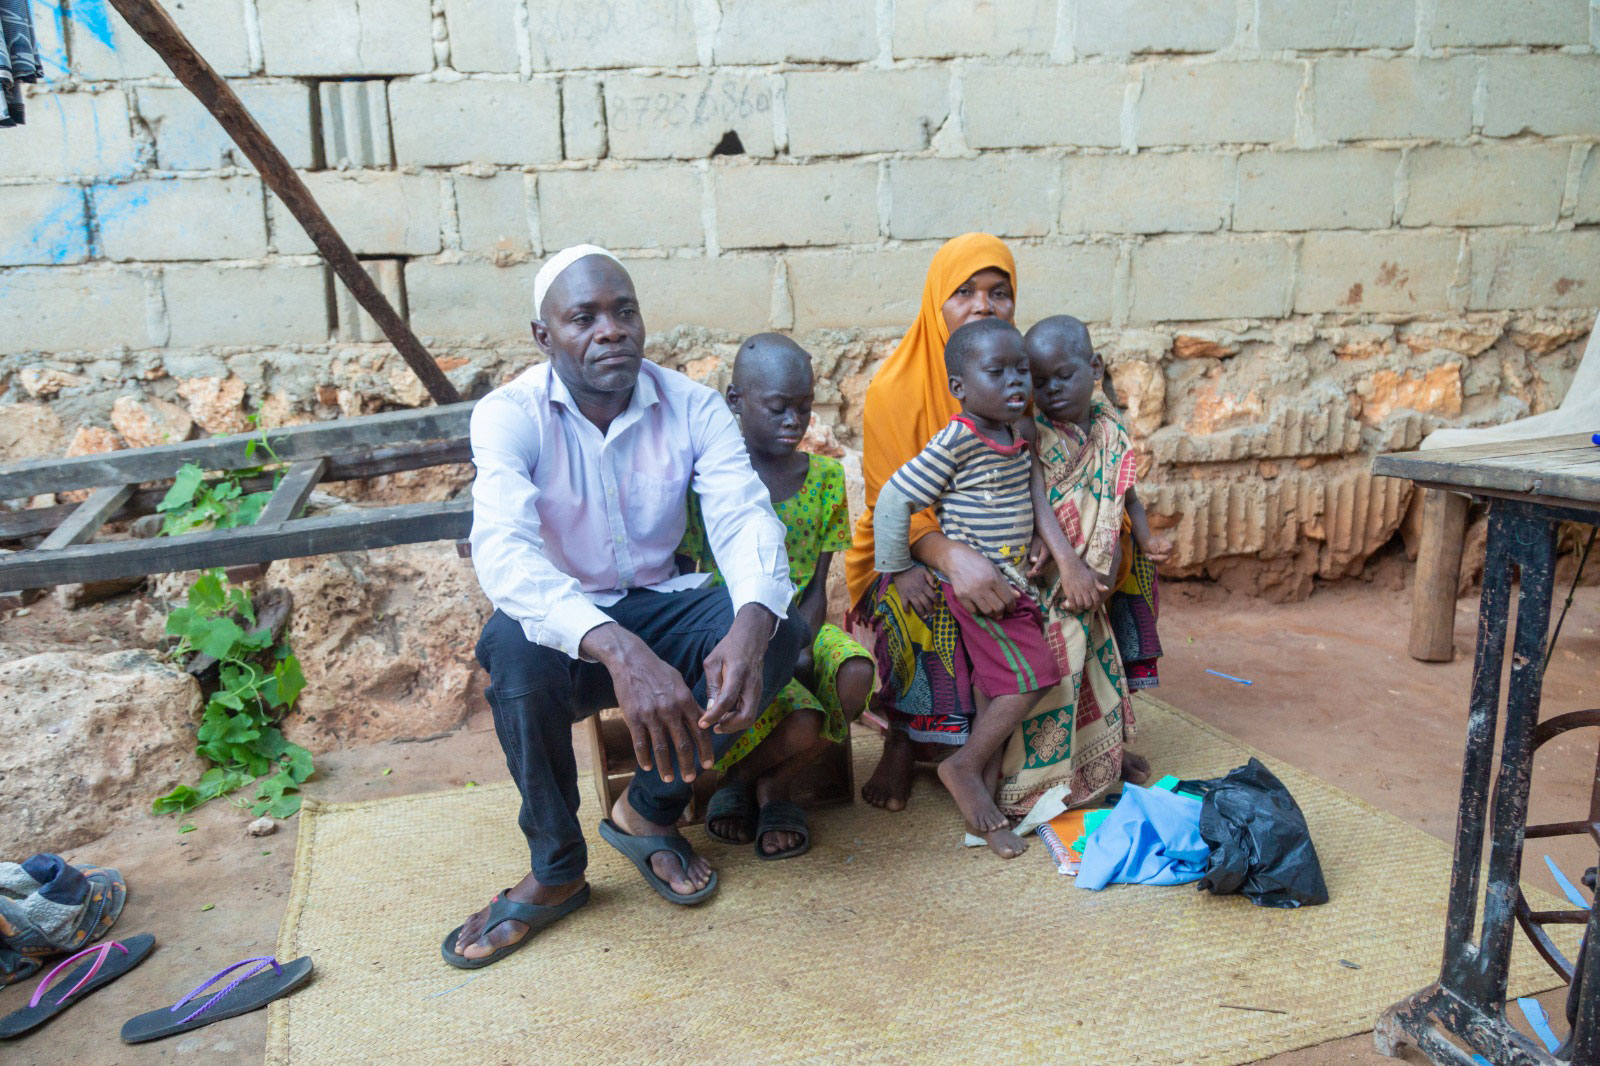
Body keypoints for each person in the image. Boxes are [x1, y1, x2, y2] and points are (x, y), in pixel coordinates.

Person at [446, 245, 807, 969]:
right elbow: (507, 557)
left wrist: (749, 623)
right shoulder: (508, 415)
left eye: (624, 311)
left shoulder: (693, 405)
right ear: (544, 337)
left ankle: (648, 812)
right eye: (584, 318)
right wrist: (616, 648)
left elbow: (744, 519)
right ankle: (556, 869)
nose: (610, 330)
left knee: (777, 633)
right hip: (568, 626)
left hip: (663, 602)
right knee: (511, 653)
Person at [845, 233, 1029, 815]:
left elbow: (1041, 477)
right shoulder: (894, 392)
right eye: (964, 292)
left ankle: (1058, 746)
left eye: (998, 292)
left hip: (1004, 541)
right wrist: (952, 557)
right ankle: (906, 738)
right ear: (936, 304)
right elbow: (891, 505)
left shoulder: (1018, 381)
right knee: (925, 604)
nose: (982, 306)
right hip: (903, 553)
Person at [874, 318, 1068, 857]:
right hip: (979, 590)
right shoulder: (957, 438)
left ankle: (981, 785)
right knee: (1033, 676)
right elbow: (894, 498)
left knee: (993, 686)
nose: (1015, 383)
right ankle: (959, 768)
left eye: (1022, 370)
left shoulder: (1015, 432)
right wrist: (899, 567)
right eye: (997, 372)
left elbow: (1026, 490)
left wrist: (1040, 538)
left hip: (1012, 582)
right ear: (959, 387)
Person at [677, 334, 876, 859]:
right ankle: (763, 788)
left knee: (856, 671)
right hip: (731, 636)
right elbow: (689, 578)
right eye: (778, 407)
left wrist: (800, 644)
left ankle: (758, 781)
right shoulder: (712, 484)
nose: (794, 421)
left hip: (801, 627)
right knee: (804, 718)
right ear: (735, 400)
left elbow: (816, 587)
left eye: (804, 407)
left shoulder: (827, 479)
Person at [995, 315, 1155, 816]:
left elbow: (1125, 493)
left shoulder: (1109, 425)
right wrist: (1066, 560)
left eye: (1063, 376)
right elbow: (1032, 494)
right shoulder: (1030, 426)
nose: (1052, 390)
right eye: (1039, 382)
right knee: (1059, 670)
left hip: (1097, 578)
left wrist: (1147, 541)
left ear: (1095, 367)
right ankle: (1033, 787)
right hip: (1051, 580)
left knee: (1094, 672)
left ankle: (1098, 765)